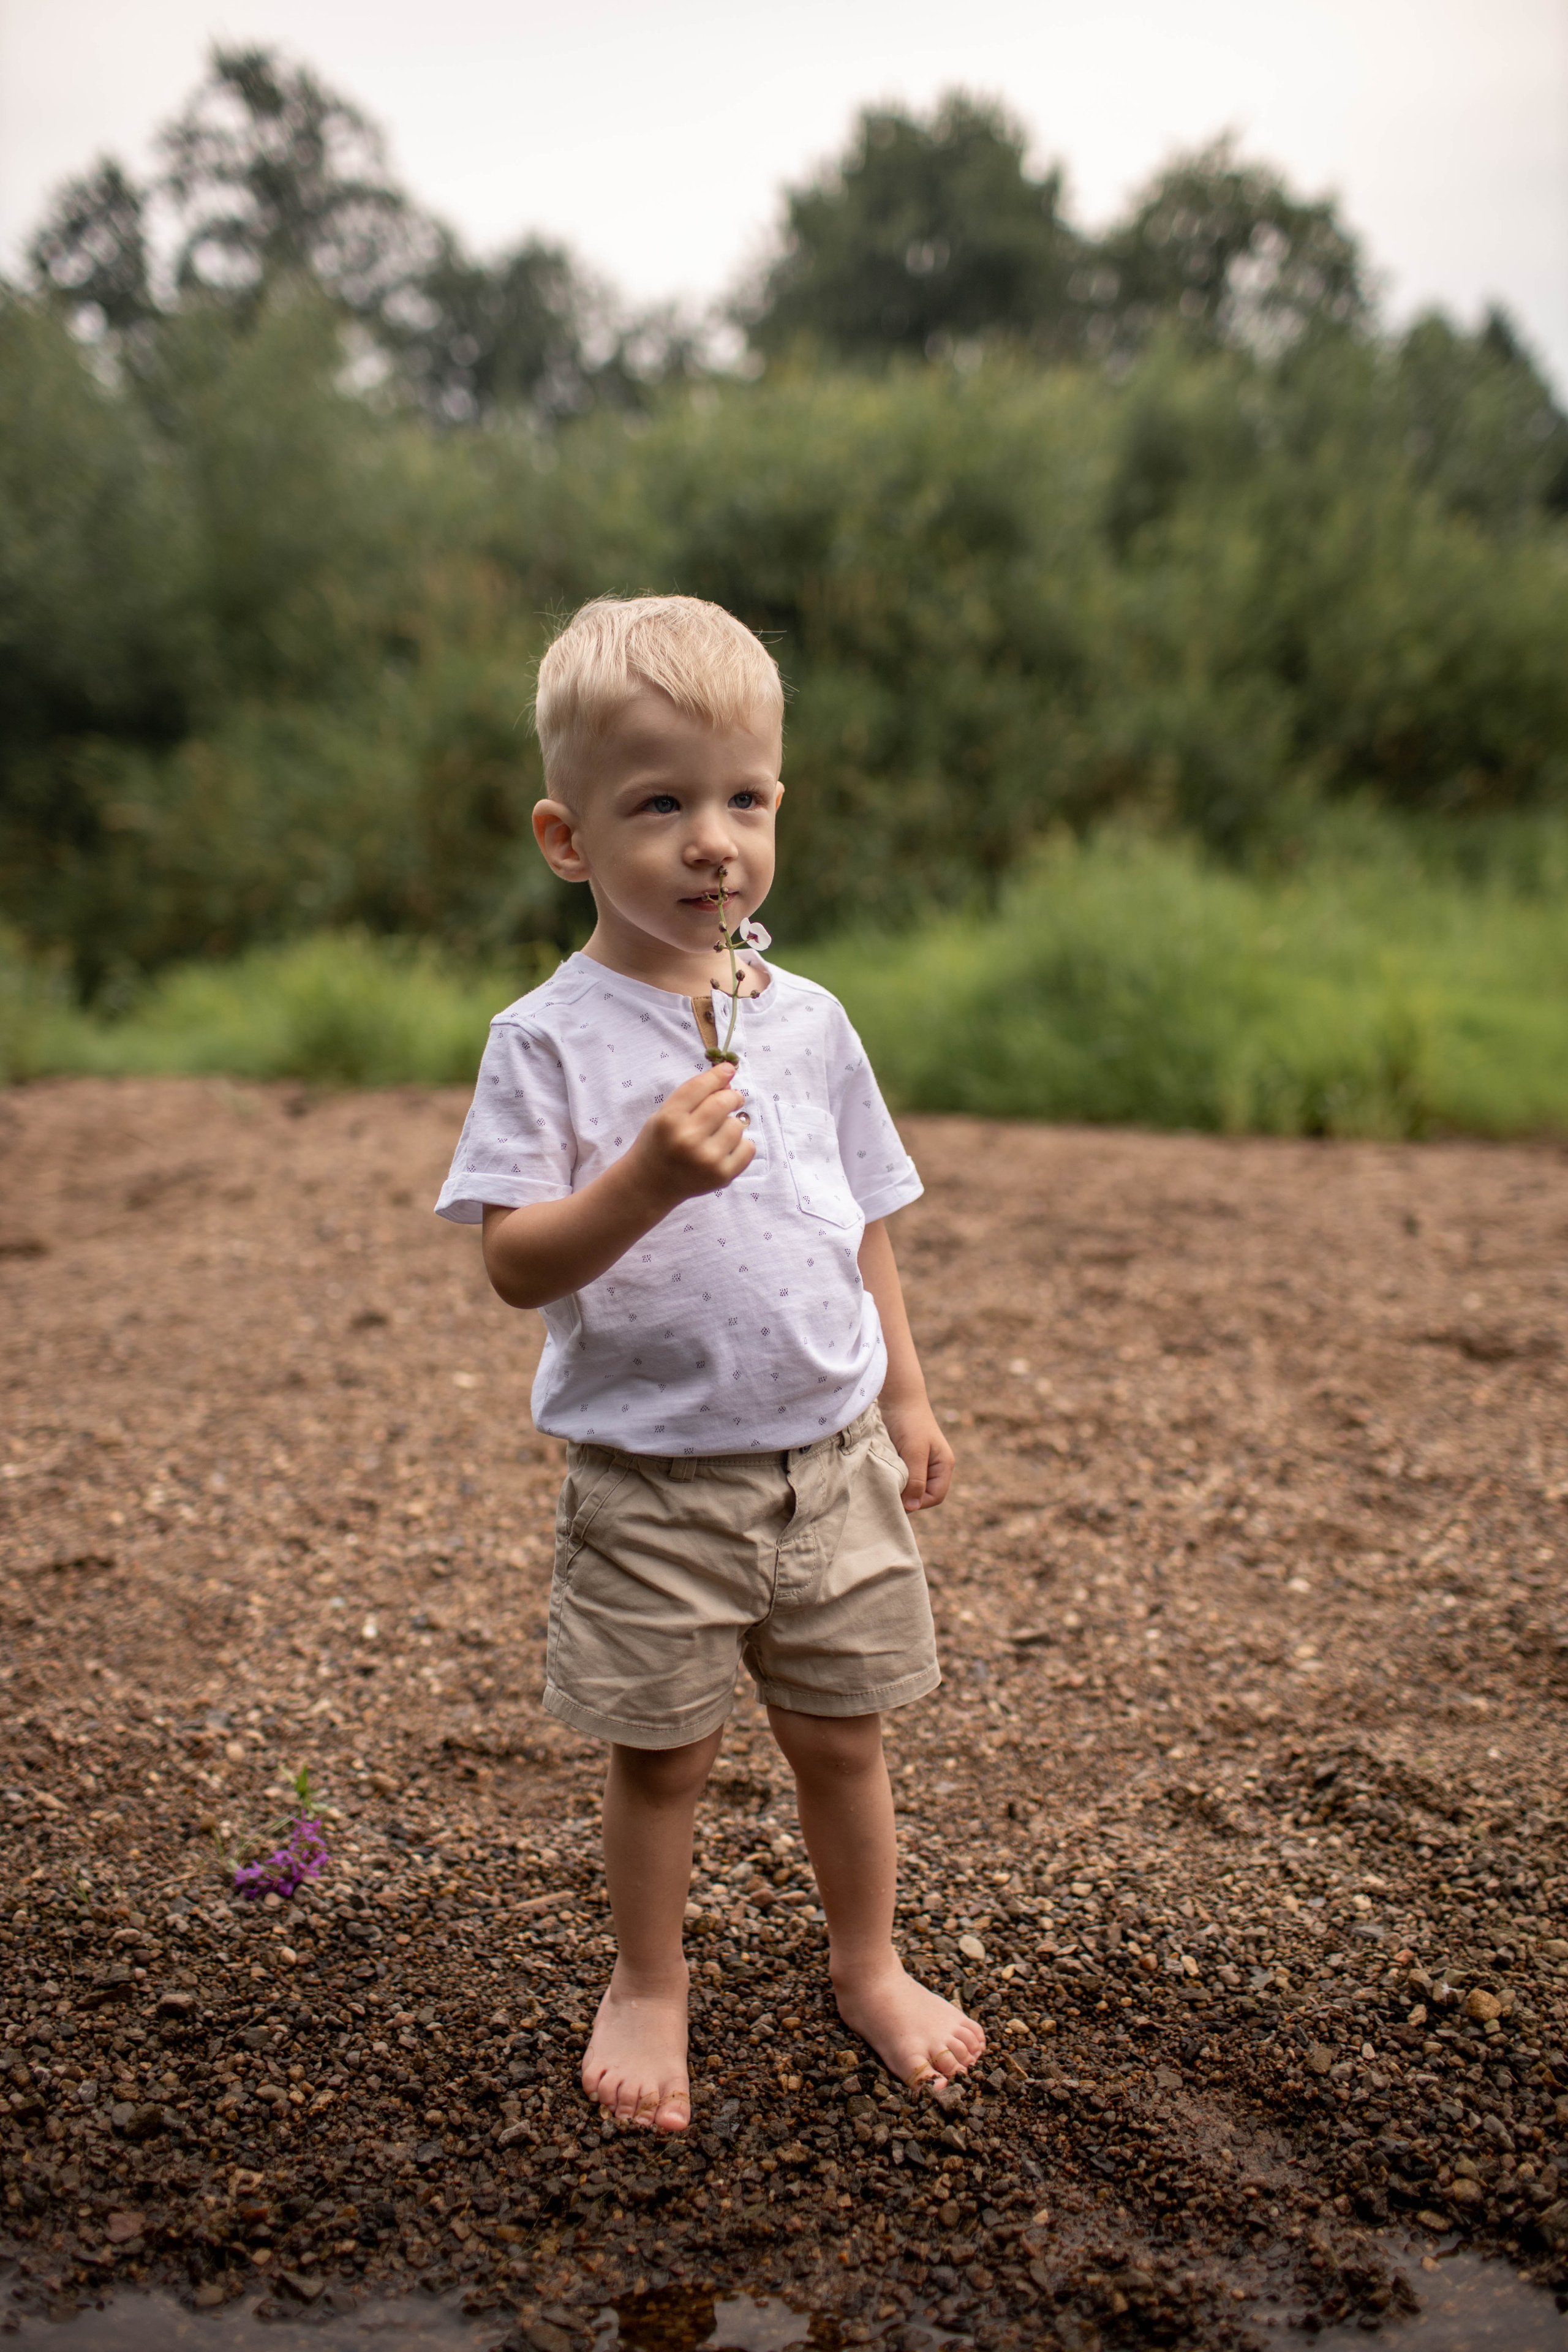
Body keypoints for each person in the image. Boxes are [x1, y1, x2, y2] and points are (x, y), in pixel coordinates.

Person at [435, 595, 982, 2131]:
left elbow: (860, 1217)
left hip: (830, 1466)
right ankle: (648, 1980)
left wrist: (905, 1393)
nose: (710, 843)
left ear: (778, 808)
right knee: (663, 1761)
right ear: (566, 838)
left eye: (743, 800)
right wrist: (645, 1183)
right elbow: (513, 1263)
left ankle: (867, 1963)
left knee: (841, 1741)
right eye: (658, 804)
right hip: (653, 1482)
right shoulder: (546, 1038)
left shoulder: (805, 1021)